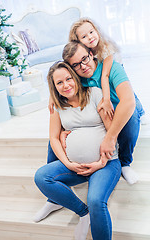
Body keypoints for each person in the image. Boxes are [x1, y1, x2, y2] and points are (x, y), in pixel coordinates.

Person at [34, 61, 121, 240]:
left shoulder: (95, 94)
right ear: (54, 87)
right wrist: (68, 164)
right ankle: (83, 213)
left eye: (68, 79)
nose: (65, 85)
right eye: (59, 83)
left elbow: (112, 132)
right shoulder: (58, 106)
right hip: (76, 167)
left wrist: (101, 162)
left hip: (106, 163)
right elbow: (54, 138)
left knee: (96, 201)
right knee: (42, 177)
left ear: (75, 77)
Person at [62, 41, 144, 185]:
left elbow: (128, 102)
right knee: (53, 139)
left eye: (84, 59)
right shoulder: (77, 80)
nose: (83, 66)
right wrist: (63, 129)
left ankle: (125, 163)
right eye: (76, 65)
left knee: (129, 115)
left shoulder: (112, 68)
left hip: (123, 105)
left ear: (91, 54)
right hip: (104, 114)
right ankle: (54, 187)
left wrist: (110, 138)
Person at [69, 17, 121, 119]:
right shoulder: (82, 53)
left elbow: (105, 75)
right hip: (101, 73)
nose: (90, 37)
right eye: (84, 36)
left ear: (97, 31)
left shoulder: (106, 48)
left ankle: (140, 111)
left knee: (120, 88)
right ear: (77, 42)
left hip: (112, 69)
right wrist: (53, 97)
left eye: (91, 32)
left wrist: (106, 100)